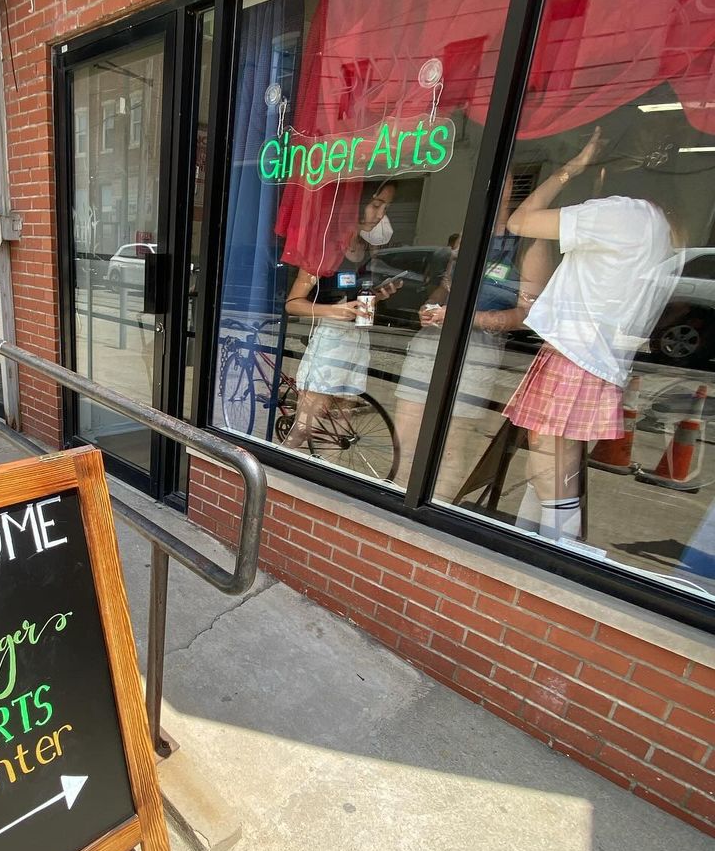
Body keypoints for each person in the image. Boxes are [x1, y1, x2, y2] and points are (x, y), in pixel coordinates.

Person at [502, 126, 685, 543]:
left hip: (575, 352)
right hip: (596, 356)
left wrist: (570, 168)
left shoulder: (621, 213)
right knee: (553, 465)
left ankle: (556, 555)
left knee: (550, 464)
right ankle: (529, 543)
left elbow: (519, 220)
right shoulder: (660, 223)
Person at [393, 183, 553, 498]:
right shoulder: (469, 238)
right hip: (430, 346)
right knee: (404, 442)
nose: (493, 195)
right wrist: (430, 306)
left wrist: (464, 319)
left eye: (503, 189)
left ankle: (430, 523)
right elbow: (445, 289)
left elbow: (529, 315)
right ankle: (388, 516)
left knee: (448, 450)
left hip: (476, 356)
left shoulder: (529, 244)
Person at [282, 182, 402, 452]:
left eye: (386, 208)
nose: (381, 214)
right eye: (376, 205)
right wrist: (336, 311)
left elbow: (358, 297)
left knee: (341, 423)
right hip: (330, 337)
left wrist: (380, 296)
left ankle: (326, 471)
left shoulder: (367, 250)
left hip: (358, 339)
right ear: (355, 206)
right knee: (306, 423)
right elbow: (293, 303)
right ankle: (271, 472)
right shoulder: (326, 248)